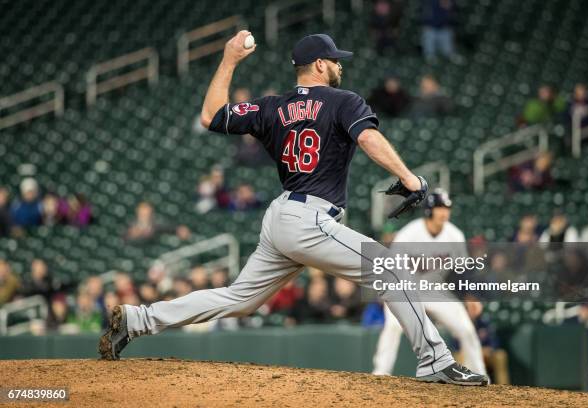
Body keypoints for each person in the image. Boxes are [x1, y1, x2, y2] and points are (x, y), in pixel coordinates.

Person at [99, 31, 488, 385]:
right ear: (320, 64)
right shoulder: (343, 100)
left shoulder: (272, 107)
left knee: (238, 299)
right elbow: (368, 137)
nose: (340, 65)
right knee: (389, 270)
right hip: (310, 219)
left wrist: (229, 59)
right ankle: (435, 360)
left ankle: (138, 320)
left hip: (282, 218)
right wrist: (409, 178)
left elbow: (211, 116)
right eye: (335, 60)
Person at [372, 189, 488, 378]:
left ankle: (480, 375)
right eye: (439, 208)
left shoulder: (454, 235)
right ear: (429, 211)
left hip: (434, 289)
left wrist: (471, 296)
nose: (444, 212)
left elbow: (463, 270)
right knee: (392, 326)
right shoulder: (410, 233)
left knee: (466, 329)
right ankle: (380, 373)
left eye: (447, 208)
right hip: (405, 288)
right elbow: (390, 266)